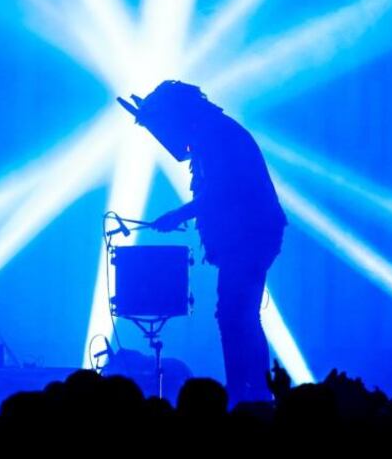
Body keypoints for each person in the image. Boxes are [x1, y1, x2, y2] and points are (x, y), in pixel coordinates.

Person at [118, 80, 287, 403]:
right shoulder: (212, 131)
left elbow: (221, 191)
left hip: (250, 236)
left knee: (236, 314)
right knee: (239, 313)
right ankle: (251, 389)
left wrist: (178, 215)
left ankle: (246, 392)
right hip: (249, 236)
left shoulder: (215, 136)